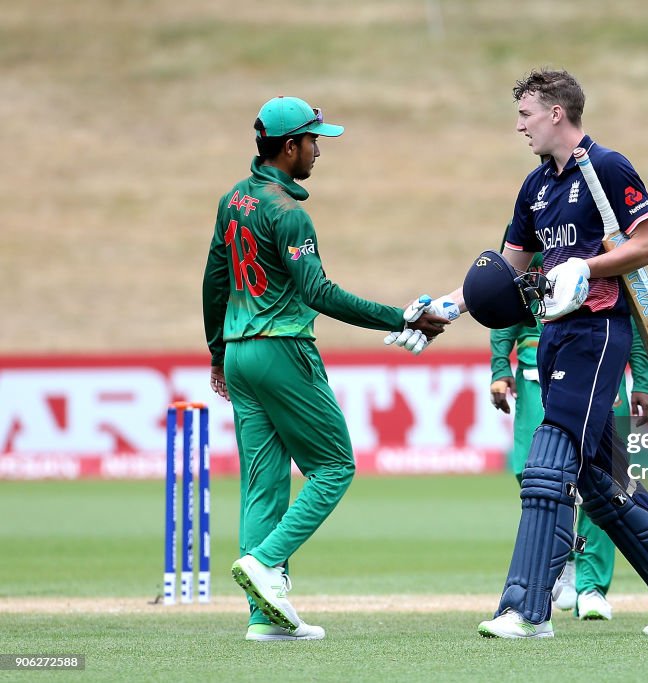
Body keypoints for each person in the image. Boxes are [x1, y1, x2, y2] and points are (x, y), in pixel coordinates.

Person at [395, 69, 648, 638]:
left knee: (549, 465)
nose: (519, 125)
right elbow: (506, 273)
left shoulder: (609, 167)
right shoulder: (535, 186)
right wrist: (444, 311)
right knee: (600, 478)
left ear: (556, 113)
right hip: (552, 338)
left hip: (598, 333)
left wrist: (586, 267)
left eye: (526, 114)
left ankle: (525, 611)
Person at [202, 96, 447, 641]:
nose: (318, 151)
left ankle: (264, 618)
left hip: (241, 354)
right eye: (314, 141)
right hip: (284, 349)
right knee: (335, 466)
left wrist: (218, 353)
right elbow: (318, 291)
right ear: (289, 147)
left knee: (262, 486)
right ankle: (266, 564)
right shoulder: (288, 213)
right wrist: (402, 316)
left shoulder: (233, 200)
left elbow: (214, 281)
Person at [489, 248, 648, 621]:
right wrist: (500, 367)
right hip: (537, 369)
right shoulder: (533, 225)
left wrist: (643, 380)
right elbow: (503, 304)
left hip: (600, 364)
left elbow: (637, 309)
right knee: (535, 473)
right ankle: (559, 561)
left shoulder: (612, 242)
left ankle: (592, 586)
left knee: (605, 478)